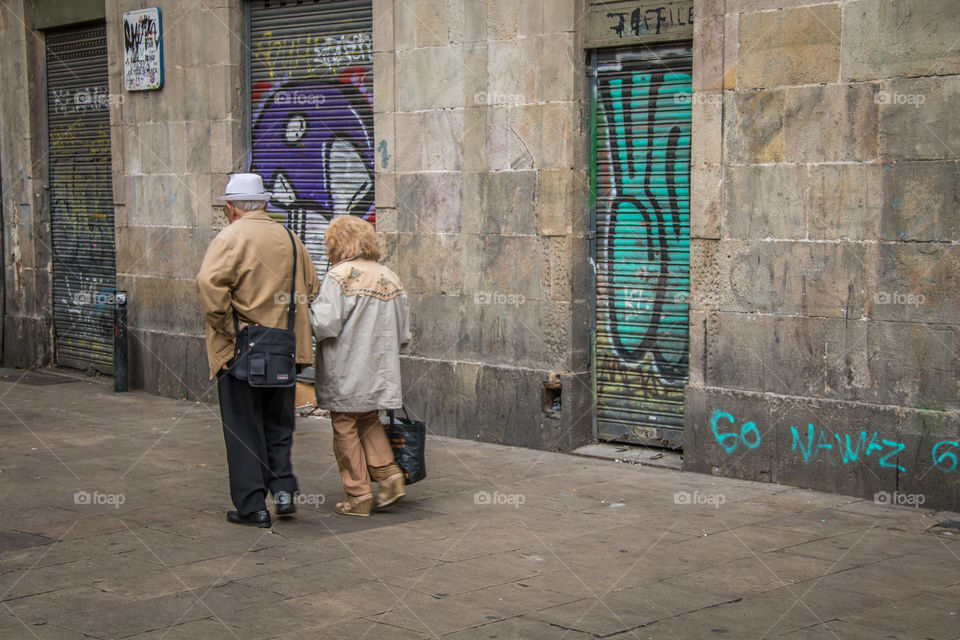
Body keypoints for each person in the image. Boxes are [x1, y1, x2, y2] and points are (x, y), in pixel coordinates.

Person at [197, 173, 319, 528]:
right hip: (284, 349)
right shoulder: (291, 238)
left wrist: (229, 326)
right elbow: (311, 287)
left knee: (242, 426)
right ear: (265, 204)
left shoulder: (230, 237)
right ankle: (282, 491)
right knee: (278, 423)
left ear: (231, 208)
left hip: (242, 350)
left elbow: (209, 283)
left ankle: (253, 506)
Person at [310, 215, 411, 516]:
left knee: (344, 422)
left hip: (347, 366)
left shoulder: (340, 276)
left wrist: (303, 315)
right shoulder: (389, 275)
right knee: (367, 416)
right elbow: (404, 332)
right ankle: (390, 476)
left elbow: (323, 325)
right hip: (379, 366)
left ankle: (358, 494)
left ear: (337, 244)